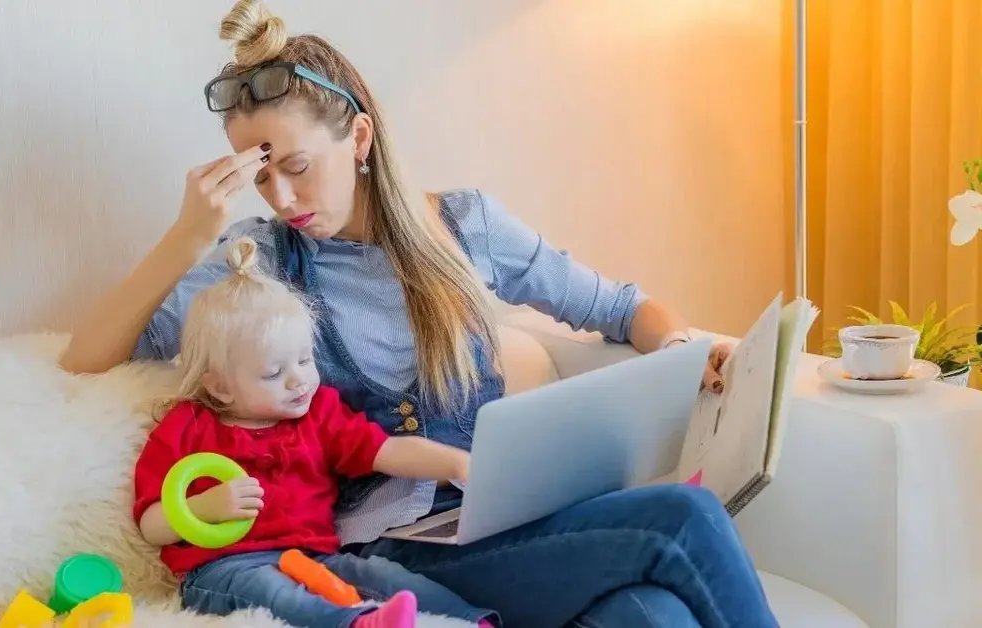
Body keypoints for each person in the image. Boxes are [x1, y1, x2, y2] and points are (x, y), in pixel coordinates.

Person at [62, 1, 779, 626]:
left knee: (655, 614)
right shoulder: (263, 261)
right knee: (682, 518)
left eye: (296, 165)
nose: (280, 197)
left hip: (504, 523)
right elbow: (86, 356)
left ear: (360, 140)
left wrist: (683, 347)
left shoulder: (469, 227)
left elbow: (622, 309)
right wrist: (186, 236)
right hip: (391, 552)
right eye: (259, 172)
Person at [132, 237, 498, 628]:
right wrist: (204, 508)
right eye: (274, 373)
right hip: (225, 568)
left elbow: (387, 451)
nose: (298, 380)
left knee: (382, 576)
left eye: (305, 360)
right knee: (275, 593)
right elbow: (151, 525)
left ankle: (468, 622)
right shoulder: (186, 427)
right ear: (220, 386)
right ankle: (355, 624)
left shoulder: (319, 413)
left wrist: (457, 463)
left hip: (314, 557)